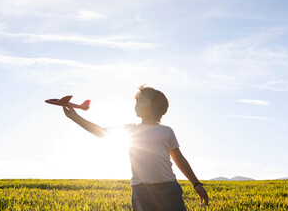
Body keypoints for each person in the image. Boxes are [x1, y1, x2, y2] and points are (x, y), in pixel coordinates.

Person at [62, 85, 209, 210]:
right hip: (142, 191)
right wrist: (75, 117)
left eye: (142, 100)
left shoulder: (167, 131)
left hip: (169, 189)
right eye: (136, 101)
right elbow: (101, 132)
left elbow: (179, 159)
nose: (136, 104)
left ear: (155, 105)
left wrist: (196, 183)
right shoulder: (131, 130)